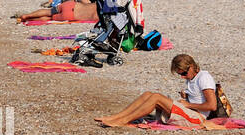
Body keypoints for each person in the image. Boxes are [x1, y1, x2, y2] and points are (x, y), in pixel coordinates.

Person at [96, 54, 225, 128]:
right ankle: (116, 117)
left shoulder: (204, 78)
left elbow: (212, 106)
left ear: (191, 67)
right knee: (148, 94)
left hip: (197, 118)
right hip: (190, 112)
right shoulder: (192, 77)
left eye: (184, 73)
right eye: (180, 74)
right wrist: (186, 97)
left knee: (156, 97)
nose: (182, 77)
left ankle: (123, 121)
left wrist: (188, 104)